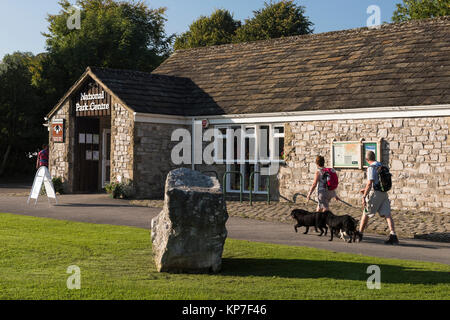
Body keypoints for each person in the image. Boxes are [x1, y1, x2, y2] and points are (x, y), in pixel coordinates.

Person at [358, 151, 399, 245]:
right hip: (384, 193)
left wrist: (364, 196)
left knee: (366, 212)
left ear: (367, 160)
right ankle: (393, 235)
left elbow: (370, 183)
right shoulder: (381, 165)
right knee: (387, 214)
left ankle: (359, 233)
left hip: (375, 193)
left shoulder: (371, 167)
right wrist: (366, 189)